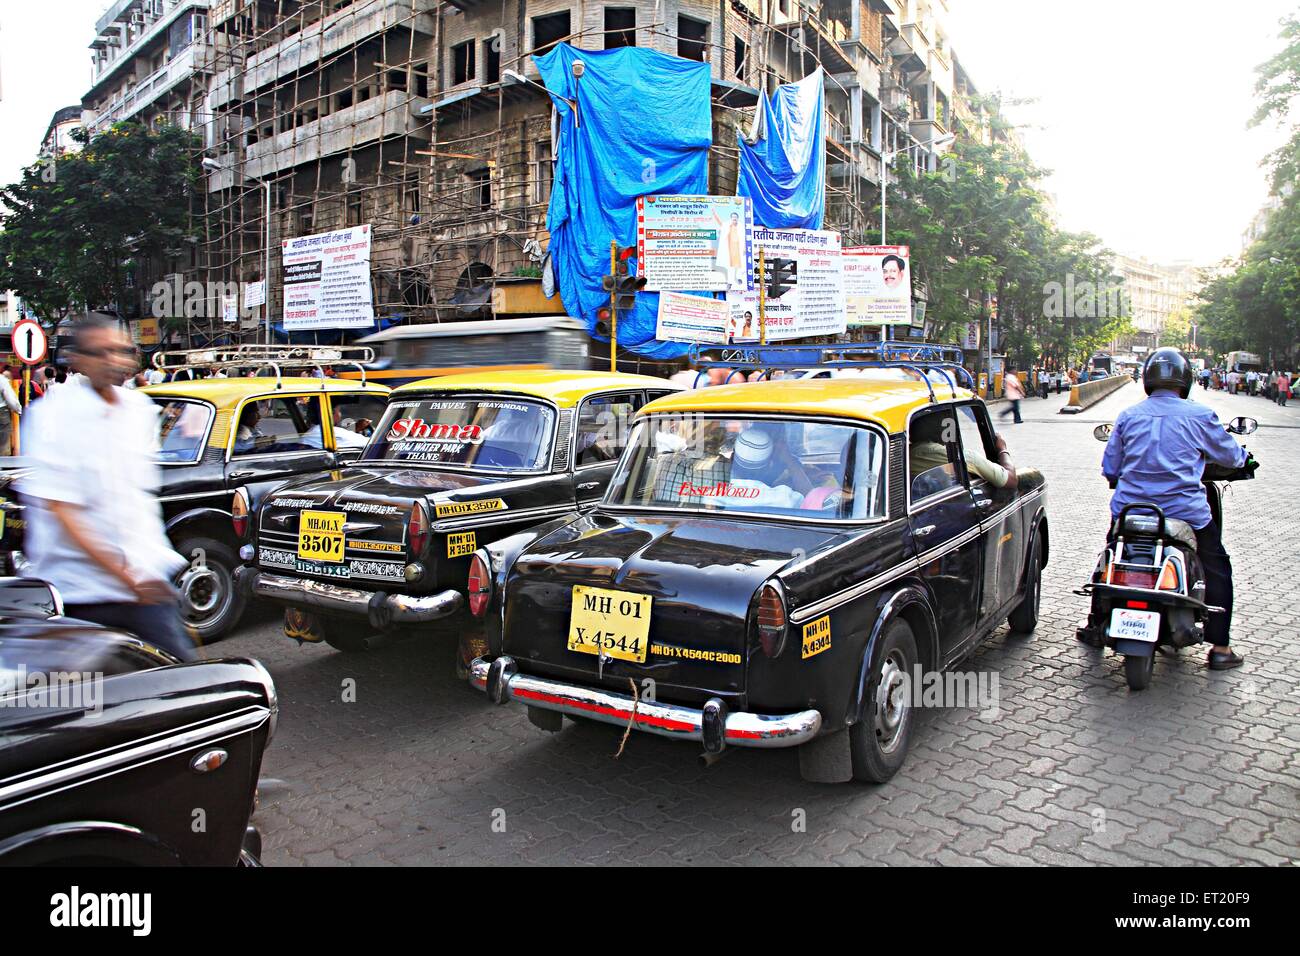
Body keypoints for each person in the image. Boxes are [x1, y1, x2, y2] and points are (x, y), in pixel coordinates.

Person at [17, 316, 192, 660]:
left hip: (146, 585)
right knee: (83, 698)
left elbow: (138, 501)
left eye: (120, 351)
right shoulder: (52, 415)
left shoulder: (138, 410)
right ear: (78, 359)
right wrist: (125, 577)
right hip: (82, 594)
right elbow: (63, 512)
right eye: (102, 353)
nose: (114, 360)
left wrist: (149, 570)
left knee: (184, 686)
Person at [1097, 347, 1251, 670]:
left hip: (1130, 511)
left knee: (1111, 552)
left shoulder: (1128, 416)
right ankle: (1221, 648)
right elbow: (1232, 456)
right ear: (1186, 382)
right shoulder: (1199, 416)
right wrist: (1243, 459)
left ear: (1148, 381)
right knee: (1217, 564)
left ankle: (1095, 623)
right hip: (1186, 512)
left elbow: (1110, 468)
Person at [0, 371, 21, 456]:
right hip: (1, 412)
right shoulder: (1, 379)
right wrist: (18, 410)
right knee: (3, 443)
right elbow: (10, 398)